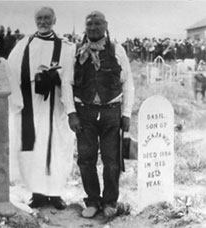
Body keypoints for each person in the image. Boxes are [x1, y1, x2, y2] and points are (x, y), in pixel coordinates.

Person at [7, 6, 76, 210]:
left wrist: (53, 77)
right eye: (39, 18)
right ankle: (37, 193)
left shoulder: (65, 46)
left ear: (54, 20)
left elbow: (69, 76)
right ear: (35, 20)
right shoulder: (23, 44)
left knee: (56, 146)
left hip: (55, 105)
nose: (43, 22)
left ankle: (55, 193)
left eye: (47, 18)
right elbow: (10, 69)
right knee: (34, 147)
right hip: (30, 105)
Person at [68, 11, 134, 218]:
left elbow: (128, 84)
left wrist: (126, 114)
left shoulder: (117, 50)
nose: (94, 28)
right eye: (89, 25)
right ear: (85, 28)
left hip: (111, 113)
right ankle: (92, 201)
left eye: (98, 24)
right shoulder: (76, 52)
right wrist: (72, 113)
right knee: (86, 159)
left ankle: (110, 202)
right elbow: (66, 83)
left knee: (112, 160)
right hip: (84, 113)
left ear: (106, 26)